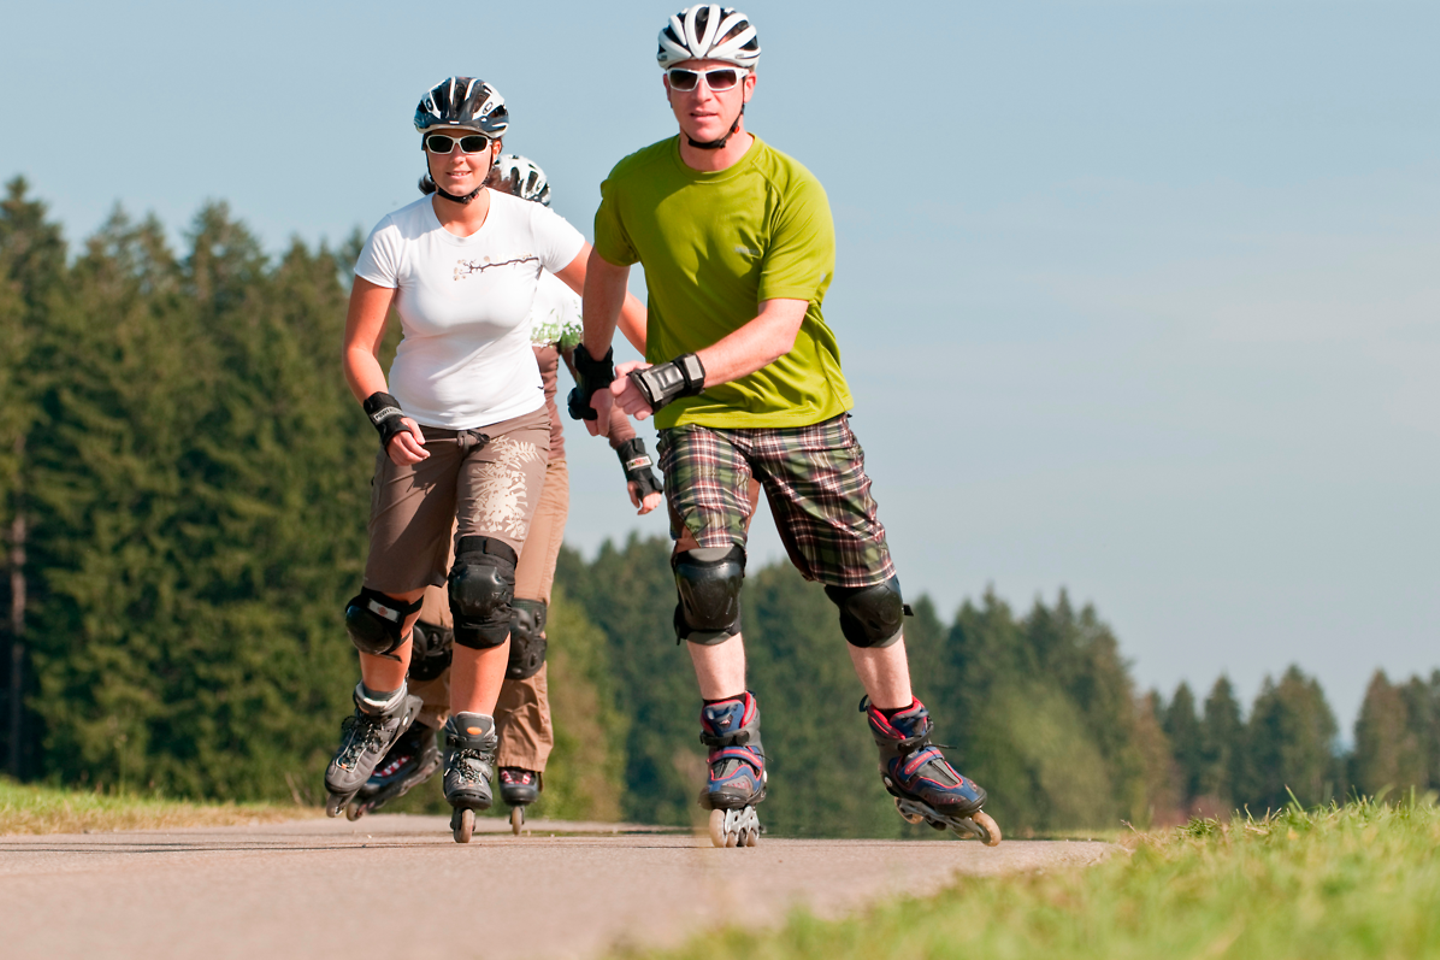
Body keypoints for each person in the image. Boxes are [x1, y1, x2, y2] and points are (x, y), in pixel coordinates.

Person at [571, 5, 1001, 848]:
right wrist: (594, 371)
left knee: (870, 590)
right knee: (706, 568)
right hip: (705, 421)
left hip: (804, 407)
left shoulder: (792, 189)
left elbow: (777, 329)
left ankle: (908, 750)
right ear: (665, 88)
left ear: (749, 86)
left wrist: (657, 376)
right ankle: (733, 743)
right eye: (685, 78)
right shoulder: (633, 181)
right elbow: (606, 270)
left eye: (721, 78)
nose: (703, 93)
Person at [326, 76, 645, 843]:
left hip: (512, 430)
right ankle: (381, 714)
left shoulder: (534, 227)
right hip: (418, 432)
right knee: (382, 616)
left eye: (472, 143)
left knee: (484, 588)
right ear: (426, 153)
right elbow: (359, 350)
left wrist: (667, 369)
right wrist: (385, 412)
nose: (458, 156)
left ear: (494, 148)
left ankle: (474, 741)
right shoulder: (396, 237)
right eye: (443, 143)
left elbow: (611, 291)